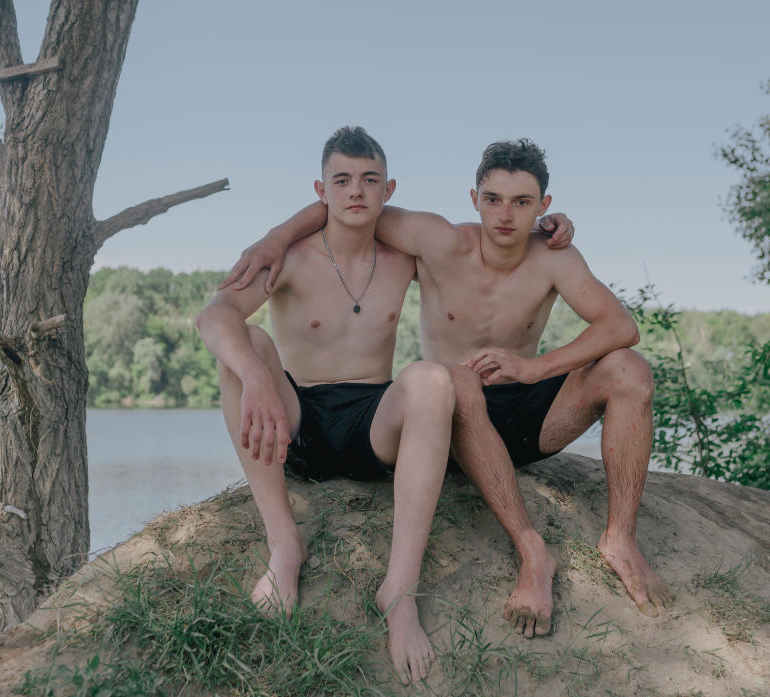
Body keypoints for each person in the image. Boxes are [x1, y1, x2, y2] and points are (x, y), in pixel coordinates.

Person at [222, 138, 674, 639]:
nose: (505, 214)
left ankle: (620, 539)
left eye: (522, 202)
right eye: (493, 199)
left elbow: (620, 327)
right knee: (456, 378)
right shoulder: (435, 240)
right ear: (473, 198)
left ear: (544, 207)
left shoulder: (555, 257)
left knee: (629, 368)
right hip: (454, 416)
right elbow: (350, 206)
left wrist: (534, 368)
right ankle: (531, 551)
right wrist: (276, 237)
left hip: (528, 412)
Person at [197, 127, 457, 684]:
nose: (356, 192)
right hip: (298, 418)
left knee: (432, 380)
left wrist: (545, 229)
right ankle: (284, 546)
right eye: (342, 180)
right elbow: (214, 315)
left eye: (368, 180)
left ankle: (400, 591)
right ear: (322, 190)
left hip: (373, 424)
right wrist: (256, 377)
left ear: (389, 189)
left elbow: (484, 241)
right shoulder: (288, 257)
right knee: (250, 343)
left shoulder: (405, 256)